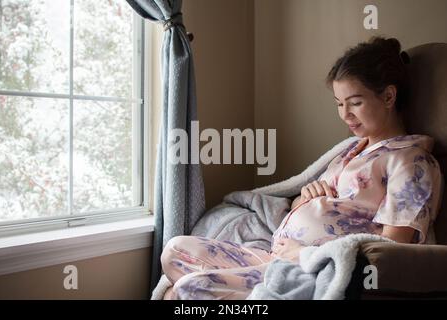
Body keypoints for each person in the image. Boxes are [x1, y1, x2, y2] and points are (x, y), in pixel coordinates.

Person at [160, 36, 443, 300]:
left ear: (389, 97)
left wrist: (306, 254)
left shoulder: (410, 162)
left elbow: (392, 249)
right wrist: (306, 195)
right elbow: (310, 208)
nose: (345, 115)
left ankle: (251, 288)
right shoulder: (350, 153)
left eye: (355, 103)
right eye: (339, 104)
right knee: (175, 250)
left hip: (312, 269)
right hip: (279, 256)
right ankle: (244, 287)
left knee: (189, 288)